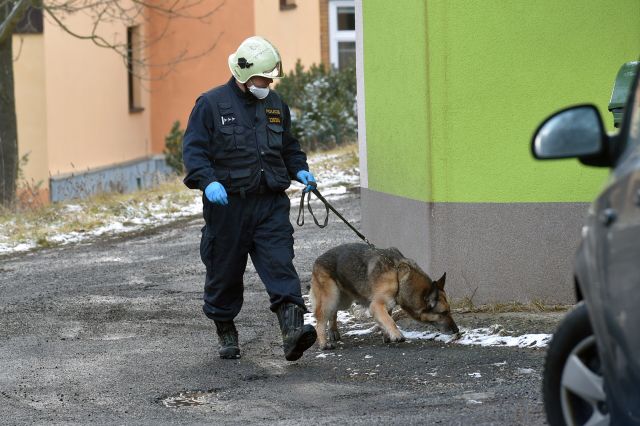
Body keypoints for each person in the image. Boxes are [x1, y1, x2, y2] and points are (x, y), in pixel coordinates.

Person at [182, 36, 317, 361]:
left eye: (271, 78)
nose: (268, 83)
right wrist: (208, 181)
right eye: (263, 78)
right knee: (224, 272)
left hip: (269, 203)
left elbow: (288, 147)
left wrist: (300, 170)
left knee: (280, 263)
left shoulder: (274, 104)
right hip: (228, 206)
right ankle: (225, 327)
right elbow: (194, 150)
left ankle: (293, 333)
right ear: (244, 75)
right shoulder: (211, 105)